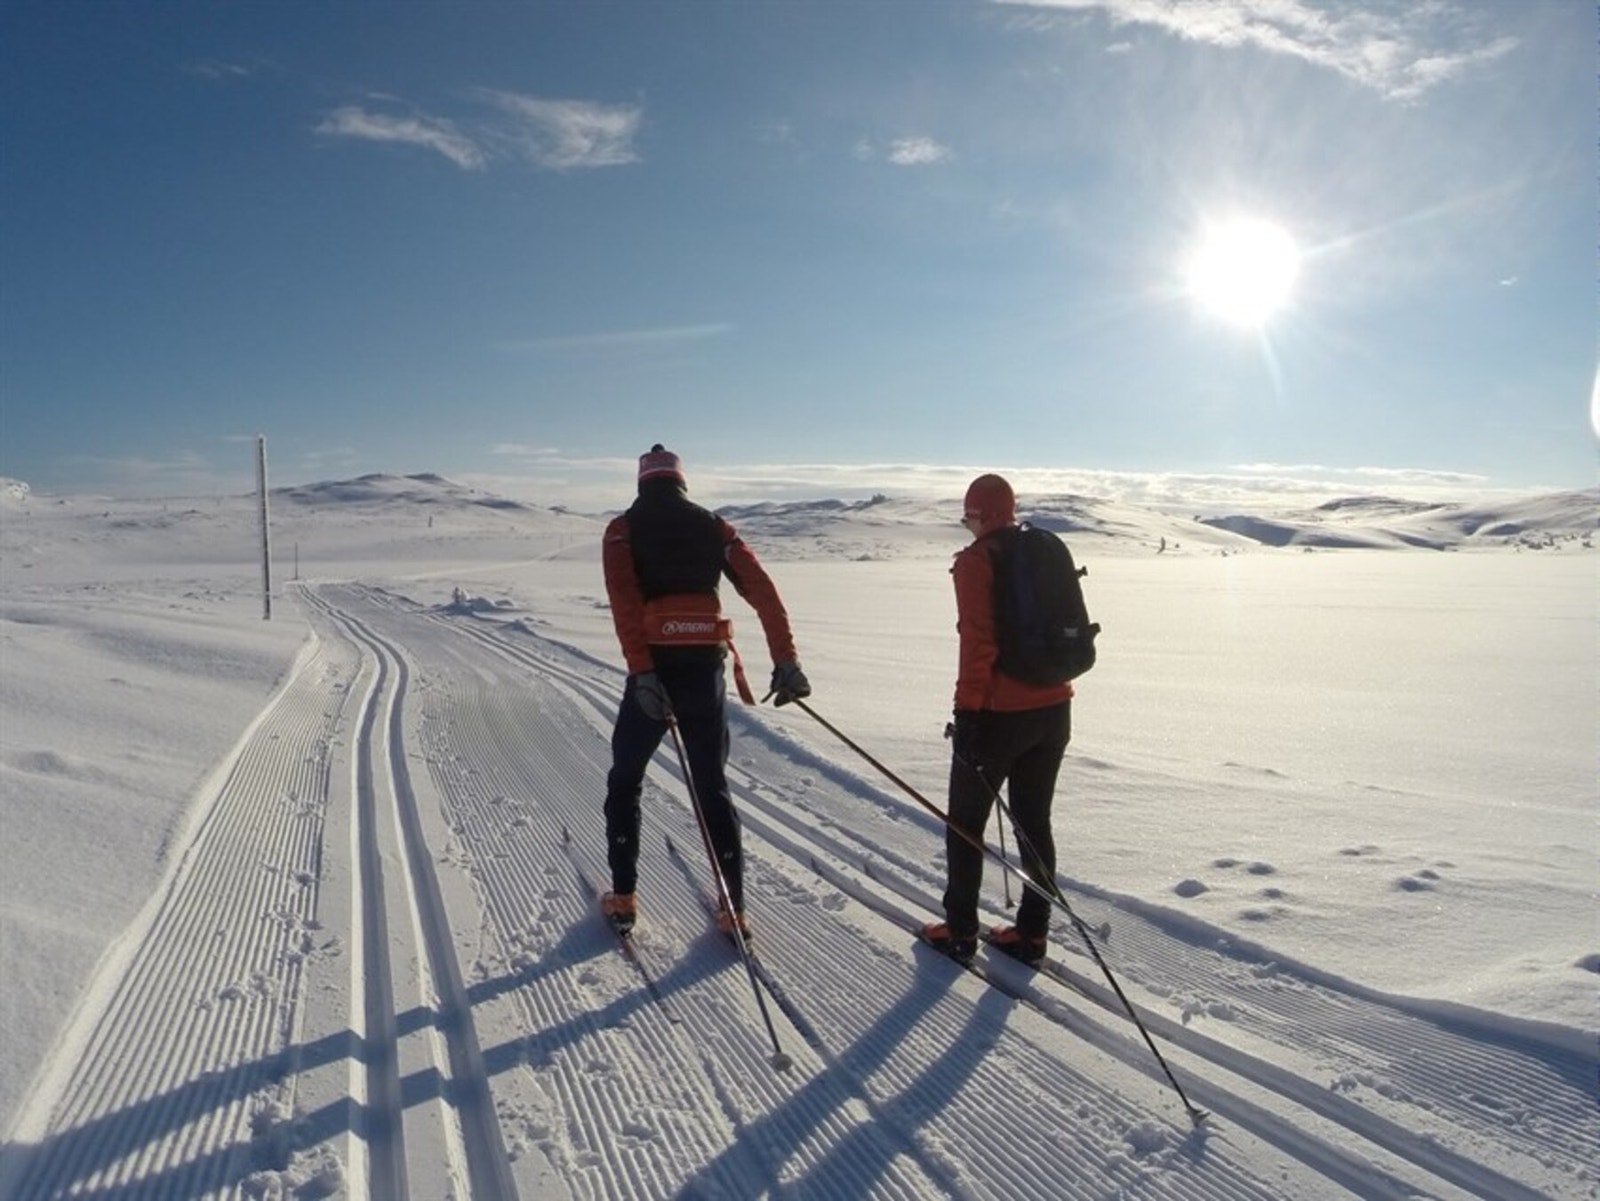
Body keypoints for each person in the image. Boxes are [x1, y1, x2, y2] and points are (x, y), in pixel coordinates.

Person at [599, 444, 811, 938]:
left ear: (642, 481)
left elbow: (625, 605)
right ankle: (734, 908)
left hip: (653, 670)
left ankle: (624, 897)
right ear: (680, 481)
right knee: (711, 783)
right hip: (703, 671)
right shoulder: (715, 527)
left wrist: (644, 672)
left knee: (625, 779)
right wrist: (785, 658)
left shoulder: (622, 530)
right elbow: (762, 590)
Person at [923, 473, 1073, 965]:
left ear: (982, 515)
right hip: (1054, 707)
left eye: (968, 515)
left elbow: (979, 643)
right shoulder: (1041, 549)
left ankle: (961, 930)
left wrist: (966, 713)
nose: (966, 524)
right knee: (1034, 821)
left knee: (965, 824)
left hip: (997, 716)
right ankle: (1032, 934)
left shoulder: (978, 561)